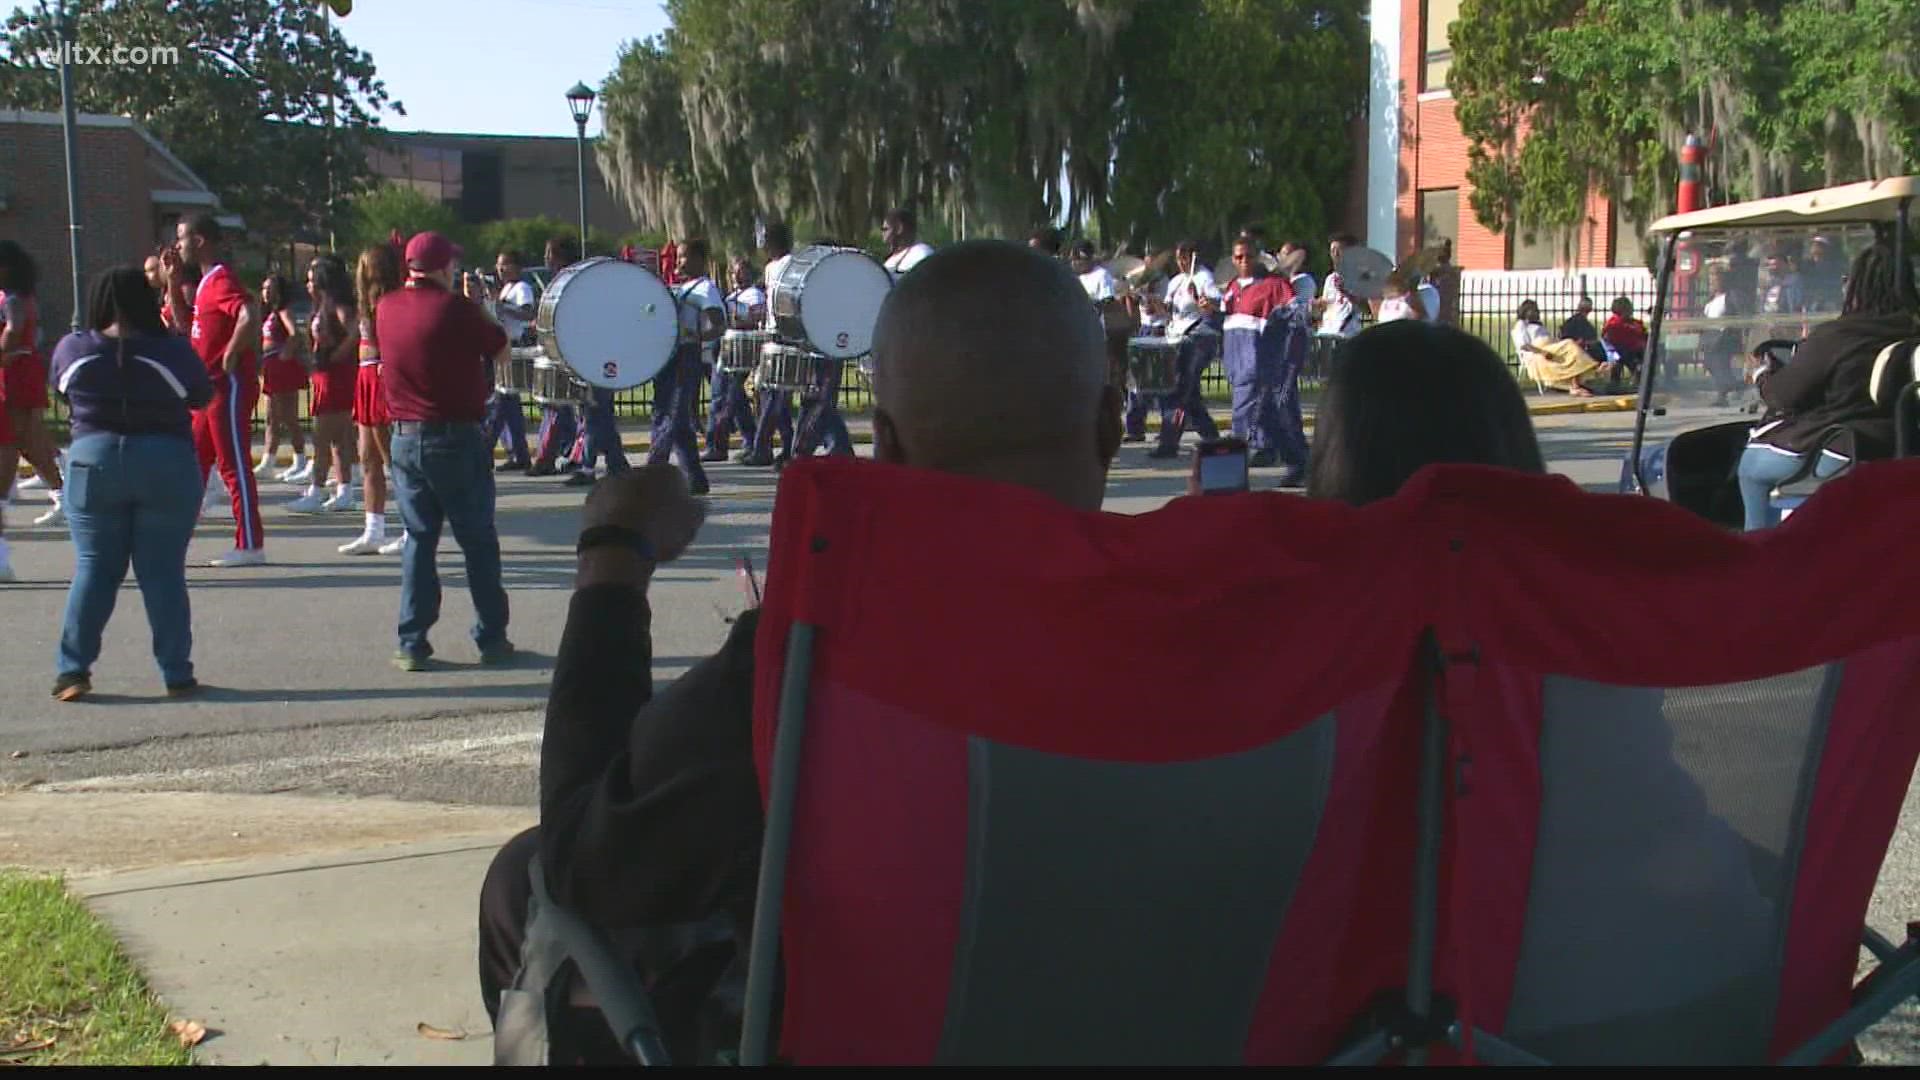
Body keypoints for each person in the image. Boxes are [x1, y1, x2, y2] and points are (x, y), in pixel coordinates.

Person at [475, 238, 1123, 1064]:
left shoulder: (812, 661)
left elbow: (583, 861)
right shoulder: (1217, 632)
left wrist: (611, 561)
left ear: (886, 447)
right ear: (1107, 423)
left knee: (523, 880)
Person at [46, 266, 213, 700]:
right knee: (162, 573)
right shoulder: (172, 351)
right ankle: (176, 672)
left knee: (94, 568)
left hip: (93, 459)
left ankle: (73, 670)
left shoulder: (74, 348)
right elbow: (201, 396)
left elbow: (61, 391)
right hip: (165, 459)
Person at [378, 231, 515, 669]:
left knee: (419, 539)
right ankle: (490, 637)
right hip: (454, 435)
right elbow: (502, 351)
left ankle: (412, 640)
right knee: (477, 540)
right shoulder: (456, 310)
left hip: (404, 435)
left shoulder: (386, 307)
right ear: (441, 268)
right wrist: (480, 305)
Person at [1736, 241, 1920, 531]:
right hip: (1900, 440)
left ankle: (1757, 556)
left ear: (1859, 286)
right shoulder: (1911, 328)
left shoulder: (1840, 334)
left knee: (1750, 470)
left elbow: (1783, 395)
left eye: (1848, 280)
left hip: (1842, 444)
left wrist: (1761, 374)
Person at [172, 214, 265, 567]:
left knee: (233, 465)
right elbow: (185, 324)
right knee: (192, 465)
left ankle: (250, 544)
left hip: (225, 387)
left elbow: (248, 313)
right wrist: (171, 280)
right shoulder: (206, 282)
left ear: (199, 241)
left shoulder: (222, 278)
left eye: (182, 238)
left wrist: (231, 352)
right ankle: (174, 540)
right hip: (203, 390)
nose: (177, 244)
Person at [1222, 235, 1308, 482]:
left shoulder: (1275, 285)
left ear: (1257, 257)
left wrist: (1287, 365)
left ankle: (1229, 479)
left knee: (1250, 419)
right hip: (1240, 366)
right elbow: (1225, 324)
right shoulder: (1232, 288)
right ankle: (1298, 461)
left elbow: (1297, 321)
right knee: (1269, 420)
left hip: (1265, 365)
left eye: (1248, 256)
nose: (1244, 261)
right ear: (1233, 259)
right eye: (1239, 257)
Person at [342, 244, 405, 555]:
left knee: (393, 461)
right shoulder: (364, 301)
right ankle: (373, 530)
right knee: (367, 457)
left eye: (368, 266)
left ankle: (411, 528)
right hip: (364, 376)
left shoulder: (392, 300)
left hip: (381, 376)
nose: (363, 271)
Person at [648, 238, 720, 495]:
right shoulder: (681, 287)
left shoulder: (705, 288)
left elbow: (718, 323)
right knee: (671, 418)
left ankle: (652, 472)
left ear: (701, 260)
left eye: (685, 256)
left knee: (674, 416)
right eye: (678, 257)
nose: (679, 261)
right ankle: (695, 478)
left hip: (686, 355)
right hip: (670, 355)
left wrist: (696, 337)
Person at [0, 241, 65, 527]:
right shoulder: (18, 295)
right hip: (20, 369)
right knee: (27, 439)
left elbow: (14, 328)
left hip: (16, 371)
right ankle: (64, 493)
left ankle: (63, 493)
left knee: (16, 438)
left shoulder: (12, 298)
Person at [289, 254, 360, 515]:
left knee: (322, 437)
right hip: (324, 375)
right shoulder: (320, 305)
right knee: (338, 440)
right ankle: (344, 491)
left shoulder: (338, 306)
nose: (308, 285)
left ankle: (317, 490)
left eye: (311, 280)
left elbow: (356, 332)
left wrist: (337, 355)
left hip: (335, 376)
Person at [1144, 239, 1222, 459]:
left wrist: (1199, 297)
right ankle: (1211, 435)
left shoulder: (1204, 277)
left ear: (1193, 256)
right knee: (1188, 393)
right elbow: (1169, 311)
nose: (1181, 262)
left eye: (1185, 257)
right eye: (1178, 258)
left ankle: (1169, 443)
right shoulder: (1176, 281)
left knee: (1179, 389)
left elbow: (1213, 306)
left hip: (1198, 337)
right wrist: (1152, 302)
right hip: (1177, 336)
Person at [743, 224, 795, 468]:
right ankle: (787, 445)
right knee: (770, 395)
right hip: (772, 332)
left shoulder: (790, 263)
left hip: (787, 334)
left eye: (764, 240)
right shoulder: (769, 268)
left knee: (775, 395)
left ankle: (761, 447)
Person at [530, 238, 582, 476]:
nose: (546, 257)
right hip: (560, 350)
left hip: (568, 352)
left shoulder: (570, 282)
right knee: (566, 408)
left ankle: (548, 459)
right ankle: (574, 455)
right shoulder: (562, 281)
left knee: (559, 407)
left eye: (550, 253)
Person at [703, 256, 761, 463]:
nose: (736, 276)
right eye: (733, 272)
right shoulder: (732, 296)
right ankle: (750, 440)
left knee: (721, 399)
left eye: (741, 271)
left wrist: (740, 318)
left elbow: (755, 319)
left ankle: (716, 445)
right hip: (726, 351)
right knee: (736, 401)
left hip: (740, 353)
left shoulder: (753, 295)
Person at [482, 250, 536, 472]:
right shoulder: (505, 289)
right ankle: (520, 453)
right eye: (498, 264)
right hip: (503, 346)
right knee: (509, 405)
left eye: (505, 265)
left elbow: (527, 312)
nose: (500, 269)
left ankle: (484, 449)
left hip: (514, 347)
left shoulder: (522, 288)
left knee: (501, 401)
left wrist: (503, 307)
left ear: (516, 267)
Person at [257, 273, 309, 483]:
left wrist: (285, 353)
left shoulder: (282, 311)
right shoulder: (268, 313)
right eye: (263, 288)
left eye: (270, 288)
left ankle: (294, 459)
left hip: (281, 368)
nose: (265, 293)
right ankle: (273, 459)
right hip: (272, 367)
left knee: (284, 416)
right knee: (276, 417)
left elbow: (295, 333)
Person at [1512, 299, 1616, 397]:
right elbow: (1524, 345)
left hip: (1551, 347)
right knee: (1570, 344)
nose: (1536, 312)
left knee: (1573, 349)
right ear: (1525, 311)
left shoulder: (1537, 325)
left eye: (1536, 310)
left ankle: (1577, 384)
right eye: (1533, 310)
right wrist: (1542, 352)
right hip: (1539, 352)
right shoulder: (1521, 325)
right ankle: (1594, 370)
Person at [881, 207, 935, 279]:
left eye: (885, 229)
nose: (882, 233)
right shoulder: (889, 262)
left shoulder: (921, 253)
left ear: (899, 228)